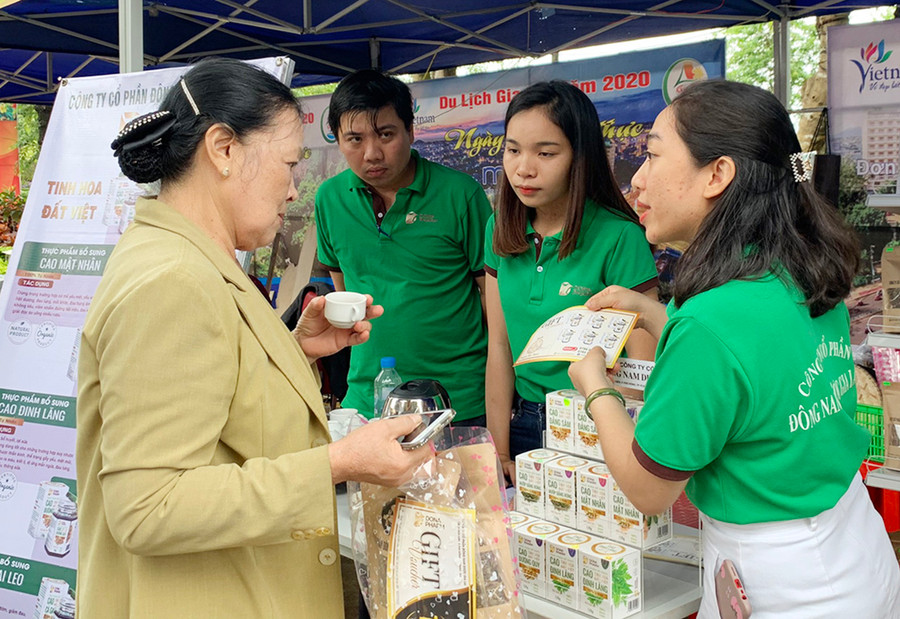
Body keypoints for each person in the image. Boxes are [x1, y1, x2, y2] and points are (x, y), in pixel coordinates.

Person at [76, 58, 432, 618]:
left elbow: (209, 404)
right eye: (289, 164)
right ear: (223, 149)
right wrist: (338, 463)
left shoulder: (188, 258)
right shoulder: (172, 280)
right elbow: (148, 508)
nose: (294, 190)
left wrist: (291, 350)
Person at [568, 79, 900, 617]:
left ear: (718, 174)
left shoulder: (709, 324)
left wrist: (594, 386)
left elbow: (650, 490)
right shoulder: (799, 266)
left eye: (652, 155)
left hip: (784, 585)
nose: (638, 180)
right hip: (855, 548)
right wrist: (655, 311)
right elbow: (756, 354)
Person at [484, 81, 658, 481]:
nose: (523, 168)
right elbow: (499, 346)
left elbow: (640, 371)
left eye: (545, 153)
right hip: (523, 422)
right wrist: (499, 450)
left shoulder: (618, 236)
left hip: (596, 422)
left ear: (580, 157)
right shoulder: (499, 228)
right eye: (513, 150)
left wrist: (620, 444)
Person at [315, 69, 491, 423]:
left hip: (457, 403)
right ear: (337, 140)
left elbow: (491, 299)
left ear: (411, 131)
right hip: (368, 401)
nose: (372, 153)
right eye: (354, 139)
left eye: (386, 134)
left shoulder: (461, 195)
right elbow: (345, 294)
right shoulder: (329, 200)